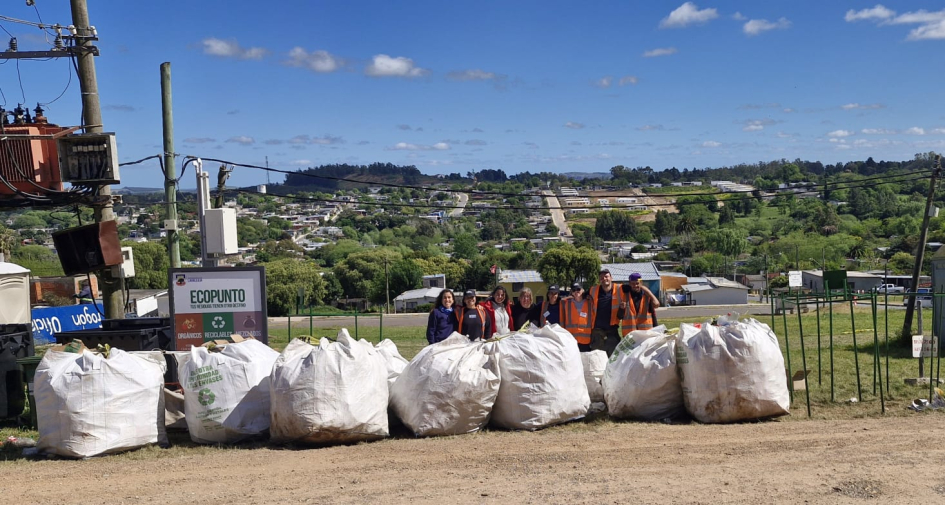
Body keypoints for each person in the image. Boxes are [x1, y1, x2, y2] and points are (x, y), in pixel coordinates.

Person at [589, 269, 621, 356]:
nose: (604, 279)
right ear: (599, 280)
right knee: (597, 362)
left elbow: (637, 287)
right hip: (597, 334)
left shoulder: (620, 289)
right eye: (602, 278)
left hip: (612, 333)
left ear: (611, 278)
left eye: (606, 276)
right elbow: (579, 295)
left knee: (613, 362)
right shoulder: (593, 290)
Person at [561, 282, 592, 351]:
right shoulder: (566, 303)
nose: (576, 291)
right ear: (571, 292)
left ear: (583, 290)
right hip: (571, 340)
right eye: (574, 290)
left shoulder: (590, 303)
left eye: (578, 289)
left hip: (586, 341)